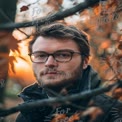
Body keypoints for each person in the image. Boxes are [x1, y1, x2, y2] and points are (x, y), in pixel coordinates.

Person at [16, 23, 122, 122]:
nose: (49, 63)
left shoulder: (113, 113)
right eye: (41, 55)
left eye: (63, 55)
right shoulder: (27, 114)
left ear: (84, 62)